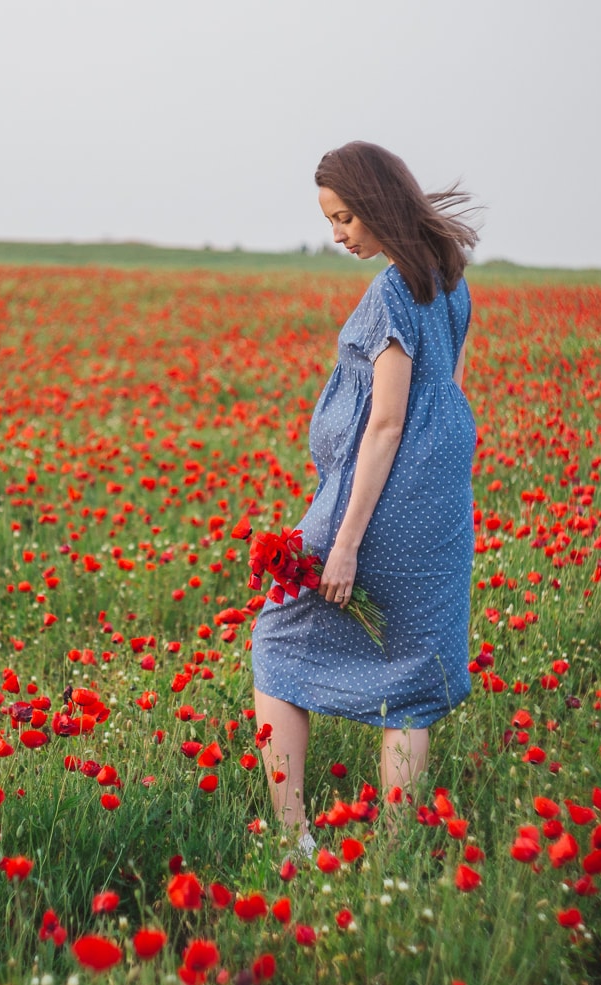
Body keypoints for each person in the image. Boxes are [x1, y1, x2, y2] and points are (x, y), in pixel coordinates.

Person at [250, 141, 479, 853]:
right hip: (441, 502)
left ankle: (295, 839)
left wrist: (344, 543)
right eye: (332, 221)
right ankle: (395, 849)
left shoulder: (390, 293)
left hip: (380, 505)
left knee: (275, 644)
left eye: (347, 217)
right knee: (410, 677)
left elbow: (385, 423)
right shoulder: (448, 279)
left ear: (379, 203)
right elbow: (451, 392)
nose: (340, 235)